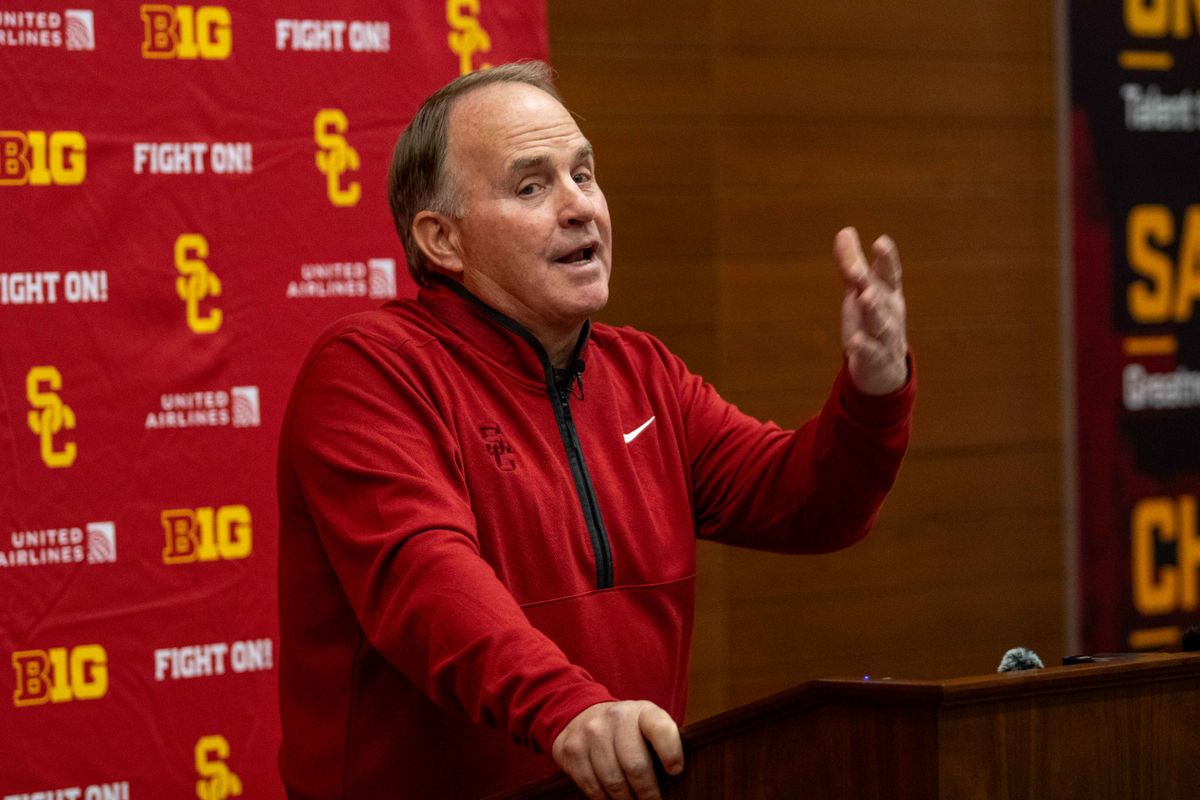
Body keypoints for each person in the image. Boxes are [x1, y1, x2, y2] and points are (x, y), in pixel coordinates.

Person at [276, 60, 914, 799]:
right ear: (441, 240)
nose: (580, 207)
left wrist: (875, 388)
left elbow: (810, 501)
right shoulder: (368, 372)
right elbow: (428, 585)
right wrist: (570, 707)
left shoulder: (645, 374)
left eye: (584, 174)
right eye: (531, 186)